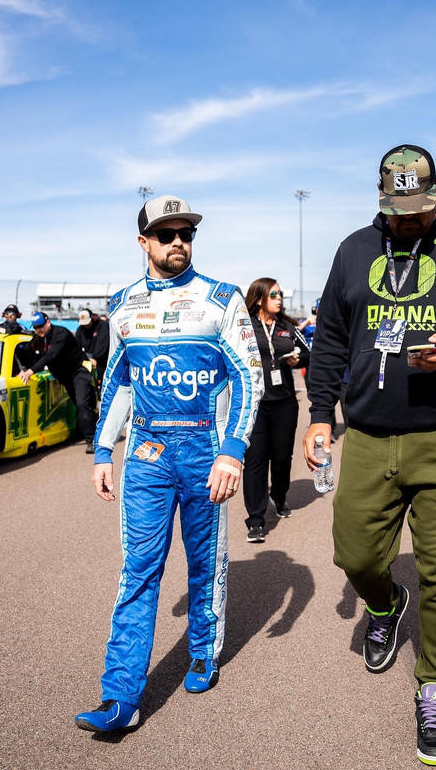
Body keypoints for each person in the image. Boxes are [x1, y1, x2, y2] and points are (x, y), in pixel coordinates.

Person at [302, 144, 436, 766]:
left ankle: (435, 687)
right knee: (355, 553)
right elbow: (333, 340)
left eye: (418, 207)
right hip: (370, 437)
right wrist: (321, 415)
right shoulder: (353, 249)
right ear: (380, 197)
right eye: (397, 208)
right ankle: (383, 603)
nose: (407, 219)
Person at [75, 194, 263, 734]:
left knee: (205, 564)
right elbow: (117, 382)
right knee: (138, 570)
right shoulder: (122, 304)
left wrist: (233, 450)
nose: (178, 241)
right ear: (144, 243)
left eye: (187, 233)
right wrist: (103, 450)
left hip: (206, 453)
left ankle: (203, 650)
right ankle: (120, 697)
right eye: (166, 233)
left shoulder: (222, 299)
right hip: (147, 457)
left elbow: (249, 377)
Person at [242, 277, 309, 542]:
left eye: (280, 294)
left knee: (282, 457)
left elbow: (309, 353)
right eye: (274, 294)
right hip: (256, 404)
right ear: (259, 299)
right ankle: (256, 520)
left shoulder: (288, 328)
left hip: (284, 403)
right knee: (256, 461)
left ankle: (279, 497)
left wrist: (297, 359)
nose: (279, 298)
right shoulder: (245, 326)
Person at [17, 312, 97, 451]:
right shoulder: (38, 337)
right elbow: (27, 351)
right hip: (64, 376)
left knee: (83, 404)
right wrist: (20, 367)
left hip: (79, 371)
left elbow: (50, 356)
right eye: (35, 327)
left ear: (47, 322)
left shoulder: (61, 333)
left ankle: (92, 440)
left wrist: (31, 371)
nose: (38, 330)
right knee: (82, 406)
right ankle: (95, 428)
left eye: (40, 326)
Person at [75, 307, 110, 390]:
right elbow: (77, 346)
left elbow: (103, 343)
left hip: (102, 358)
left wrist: (95, 357)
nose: (85, 325)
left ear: (92, 319)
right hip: (87, 358)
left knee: (102, 379)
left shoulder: (103, 325)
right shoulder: (80, 330)